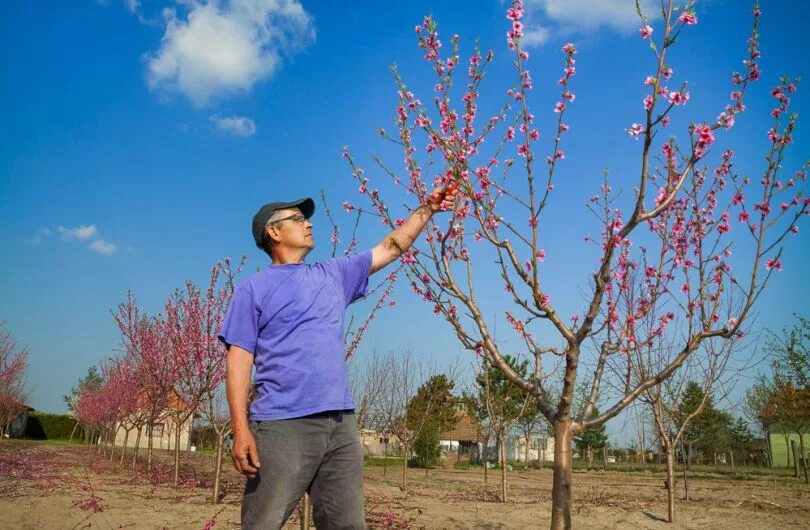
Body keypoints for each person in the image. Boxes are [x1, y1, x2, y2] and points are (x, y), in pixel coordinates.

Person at [218, 188, 456, 529]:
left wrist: (427, 209)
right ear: (273, 233)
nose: (308, 224)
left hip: (341, 425)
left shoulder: (333, 274)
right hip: (283, 425)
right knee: (262, 524)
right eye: (297, 219)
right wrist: (240, 430)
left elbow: (391, 247)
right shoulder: (253, 290)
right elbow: (238, 362)